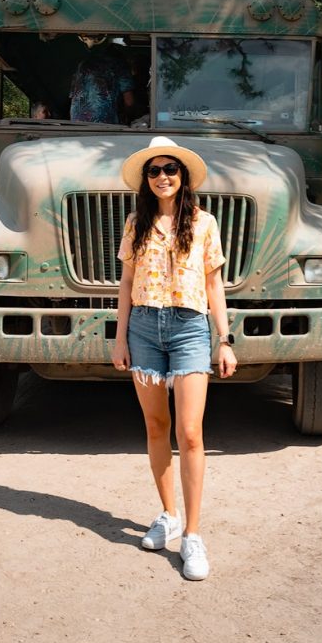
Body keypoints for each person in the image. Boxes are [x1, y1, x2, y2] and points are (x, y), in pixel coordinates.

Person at [112, 136, 237, 581]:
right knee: (155, 426)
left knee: (190, 431)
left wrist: (225, 339)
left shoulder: (204, 223)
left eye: (171, 169)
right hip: (144, 329)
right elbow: (126, 285)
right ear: (146, 180)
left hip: (188, 328)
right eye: (154, 170)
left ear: (182, 177)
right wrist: (120, 338)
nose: (163, 176)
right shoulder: (135, 224)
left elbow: (214, 285)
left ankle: (193, 535)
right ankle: (167, 513)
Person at [69, 39, 135, 123]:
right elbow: (129, 102)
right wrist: (130, 118)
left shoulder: (83, 63)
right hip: (104, 121)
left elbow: (73, 95)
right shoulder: (119, 64)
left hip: (77, 119)